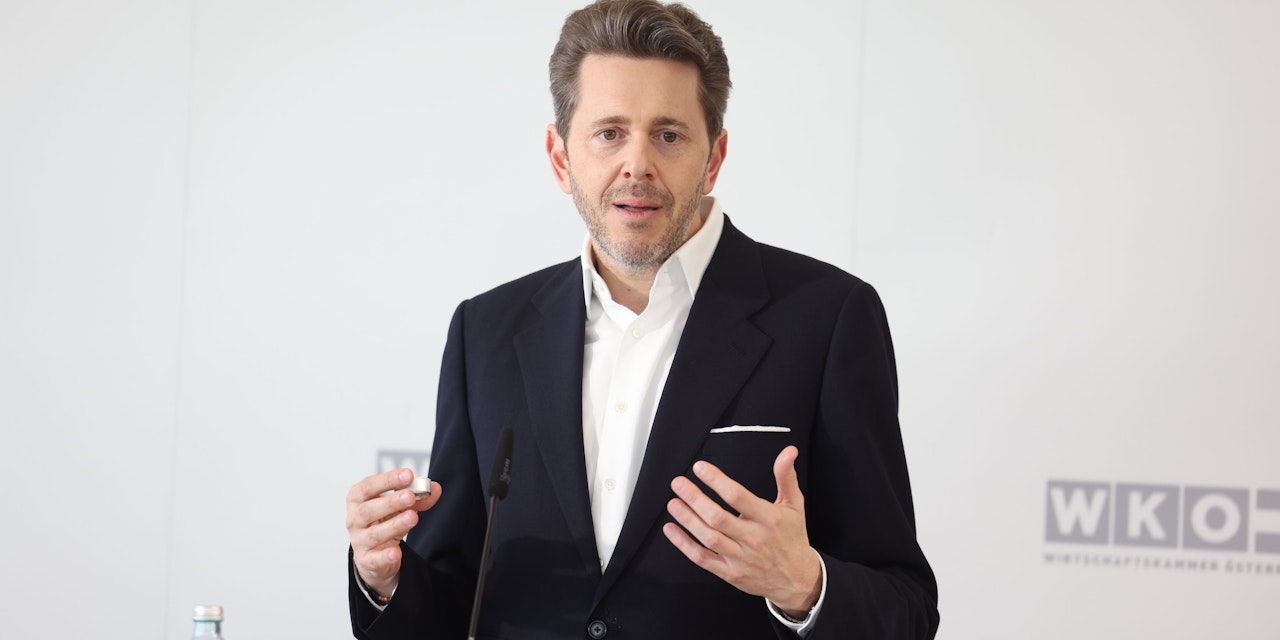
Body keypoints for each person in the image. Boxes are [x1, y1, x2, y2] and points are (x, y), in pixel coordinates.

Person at [344, 1, 939, 638]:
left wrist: (804, 586)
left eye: (668, 135)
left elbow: (906, 608)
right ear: (560, 157)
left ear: (714, 157)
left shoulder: (828, 318)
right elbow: (454, 596)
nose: (637, 165)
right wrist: (385, 579)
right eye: (609, 133)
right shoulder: (484, 332)